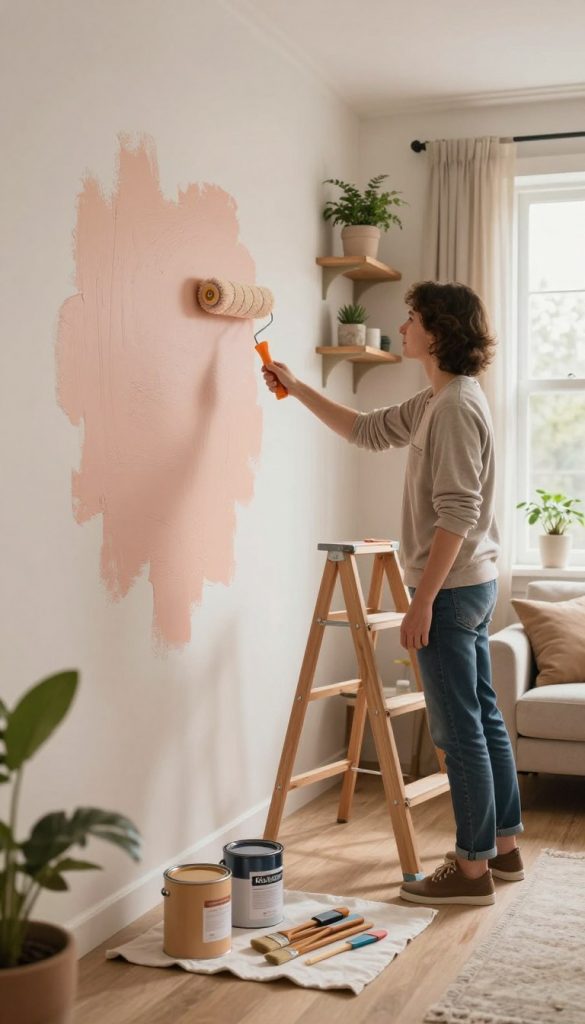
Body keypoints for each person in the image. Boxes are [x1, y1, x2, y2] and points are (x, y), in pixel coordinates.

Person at [262, 280, 524, 907]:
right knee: (482, 719)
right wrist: (296, 388)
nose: (402, 328)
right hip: (469, 586)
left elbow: (457, 514)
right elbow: (366, 430)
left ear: (437, 332)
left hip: (453, 590)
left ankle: (470, 872)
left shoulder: (456, 407)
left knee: (458, 729)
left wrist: (422, 600)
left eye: (410, 319)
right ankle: (503, 850)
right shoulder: (440, 399)